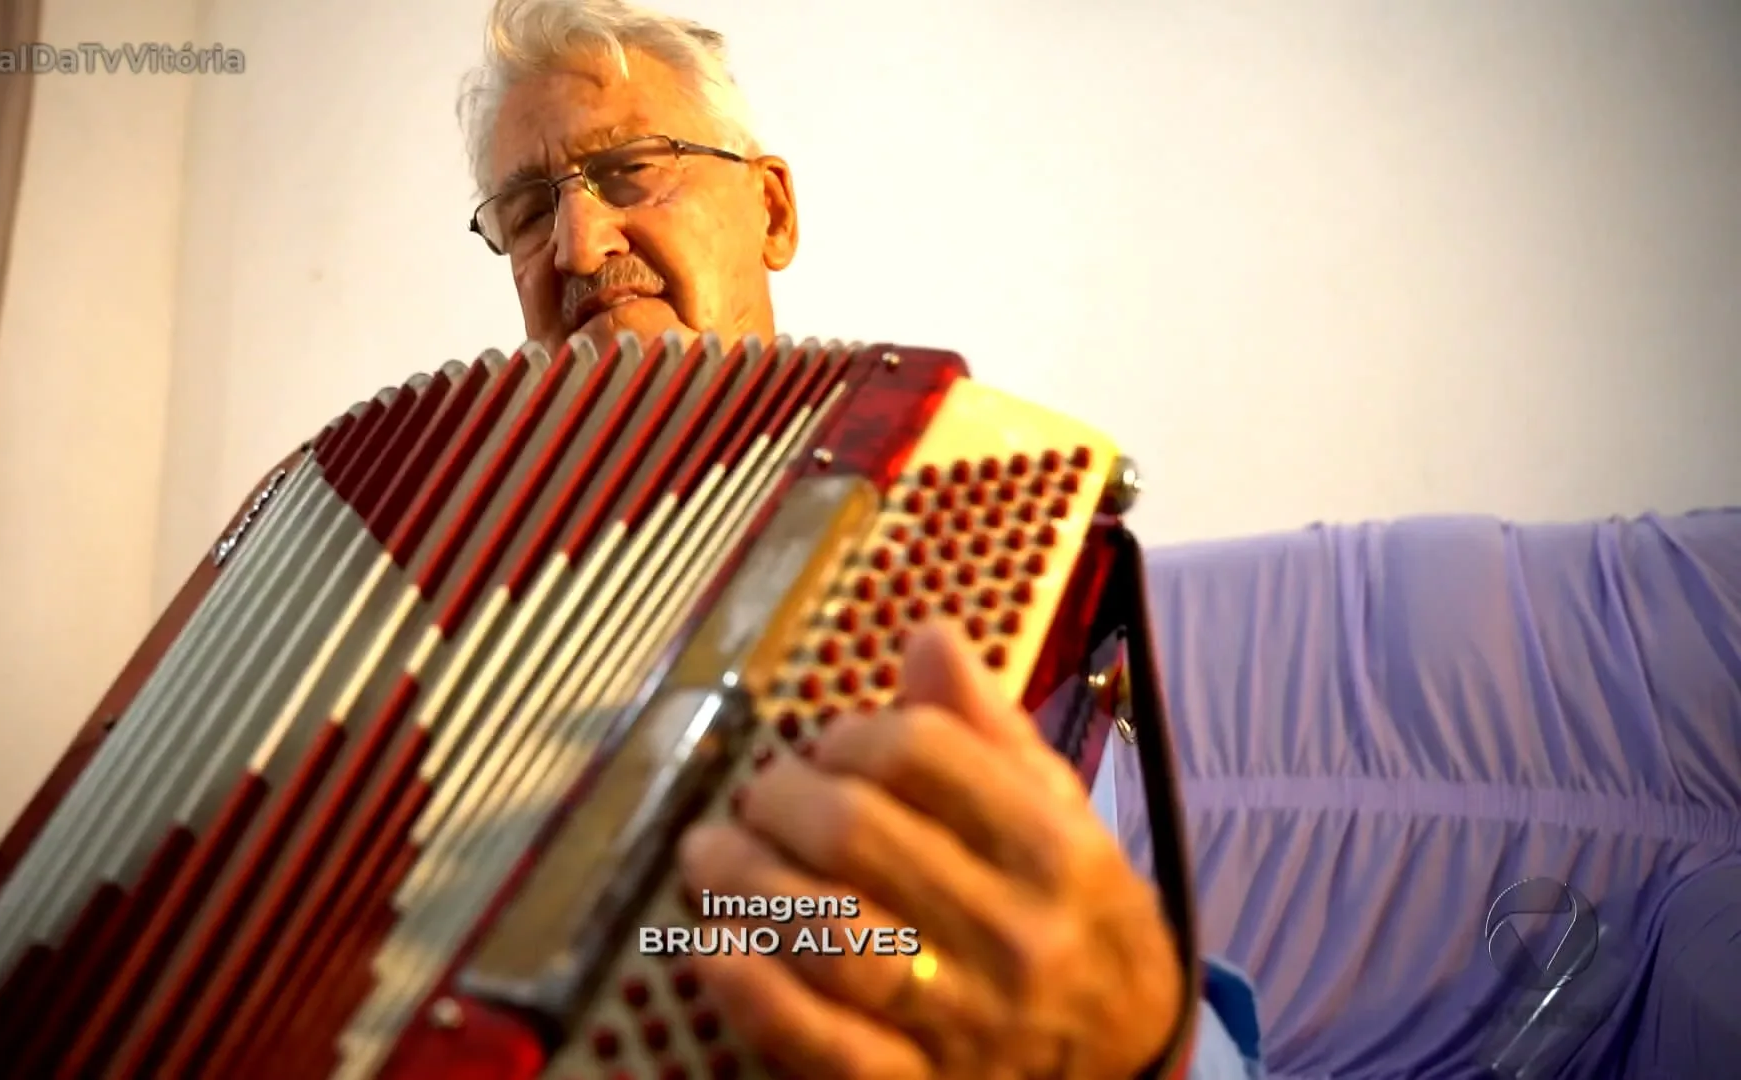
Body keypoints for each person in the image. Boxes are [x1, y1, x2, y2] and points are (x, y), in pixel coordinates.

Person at [457, 1, 1264, 1075]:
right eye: (523, 209)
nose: (578, 242)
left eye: (631, 170)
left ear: (774, 211)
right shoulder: (454, 605)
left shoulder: (968, 520)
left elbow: (1066, 980)